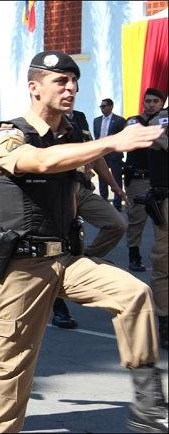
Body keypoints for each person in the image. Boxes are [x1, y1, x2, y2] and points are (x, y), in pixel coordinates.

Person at [0, 50, 166, 433]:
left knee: (134, 293)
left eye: (74, 80)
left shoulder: (74, 133)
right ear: (34, 87)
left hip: (66, 261)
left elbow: (82, 167)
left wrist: (111, 186)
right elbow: (44, 162)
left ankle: (148, 405)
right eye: (61, 81)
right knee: (14, 366)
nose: (71, 87)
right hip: (22, 267)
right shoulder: (4, 135)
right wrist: (114, 142)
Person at [50, 106, 128, 329]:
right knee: (62, 245)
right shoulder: (47, 130)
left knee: (116, 224)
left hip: (83, 189)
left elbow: (98, 158)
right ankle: (58, 306)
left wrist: (115, 186)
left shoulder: (80, 123)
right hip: (62, 193)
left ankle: (85, 261)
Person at [125, 88, 164, 272]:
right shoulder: (135, 121)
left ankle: (161, 258)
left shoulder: (164, 121)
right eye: (148, 101)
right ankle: (134, 256)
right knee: (137, 219)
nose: (151, 105)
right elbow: (137, 135)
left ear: (162, 103)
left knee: (161, 220)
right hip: (139, 178)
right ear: (143, 103)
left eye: (155, 101)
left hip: (160, 181)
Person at [146, 106, 168, 349]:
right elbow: (154, 137)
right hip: (166, 198)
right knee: (164, 263)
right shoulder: (161, 118)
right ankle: (165, 321)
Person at [94, 98, 126, 210]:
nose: (102, 108)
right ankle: (104, 203)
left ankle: (117, 205)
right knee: (102, 178)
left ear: (111, 106)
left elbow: (123, 137)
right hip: (101, 154)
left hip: (114, 154)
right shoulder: (96, 120)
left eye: (104, 106)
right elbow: (96, 137)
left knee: (116, 179)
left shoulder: (119, 120)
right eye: (101, 106)